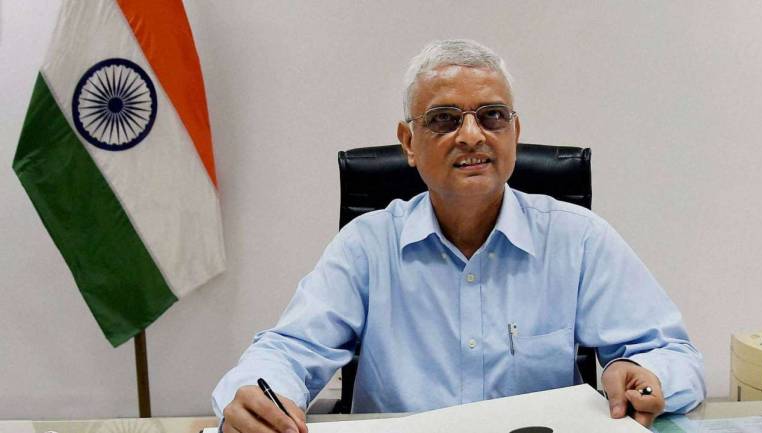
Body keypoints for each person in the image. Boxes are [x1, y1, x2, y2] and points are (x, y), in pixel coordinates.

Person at [212, 39, 705, 433]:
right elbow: (288, 351)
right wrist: (262, 394)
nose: (471, 135)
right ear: (408, 142)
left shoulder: (577, 240)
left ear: (514, 134)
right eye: (444, 119)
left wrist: (649, 376)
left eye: (492, 116)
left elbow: (672, 354)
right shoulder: (367, 246)